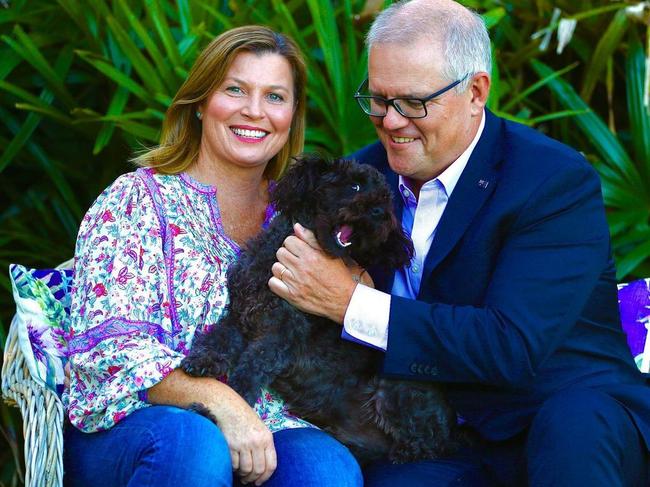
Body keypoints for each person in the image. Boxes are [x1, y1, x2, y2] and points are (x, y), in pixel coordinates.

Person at [268, 1, 650, 485]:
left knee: (573, 428)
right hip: (436, 433)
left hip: (561, 415)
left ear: (475, 91)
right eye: (379, 100)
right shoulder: (361, 176)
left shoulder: (551, 181)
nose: (390, 121)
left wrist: (352, 304)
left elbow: (510, 346)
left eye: (413, 102)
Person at [63, 25, 362, 487]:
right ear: (202, 103)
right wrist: (223, 405)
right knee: (194, 446)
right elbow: (112, 352)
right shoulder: (137, 199)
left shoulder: (304, 223)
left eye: (275, 97)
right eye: (235, 90)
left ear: (292, 116)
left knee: (327, 470)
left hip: (269, 426)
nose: (255, 111)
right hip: (137, 423)